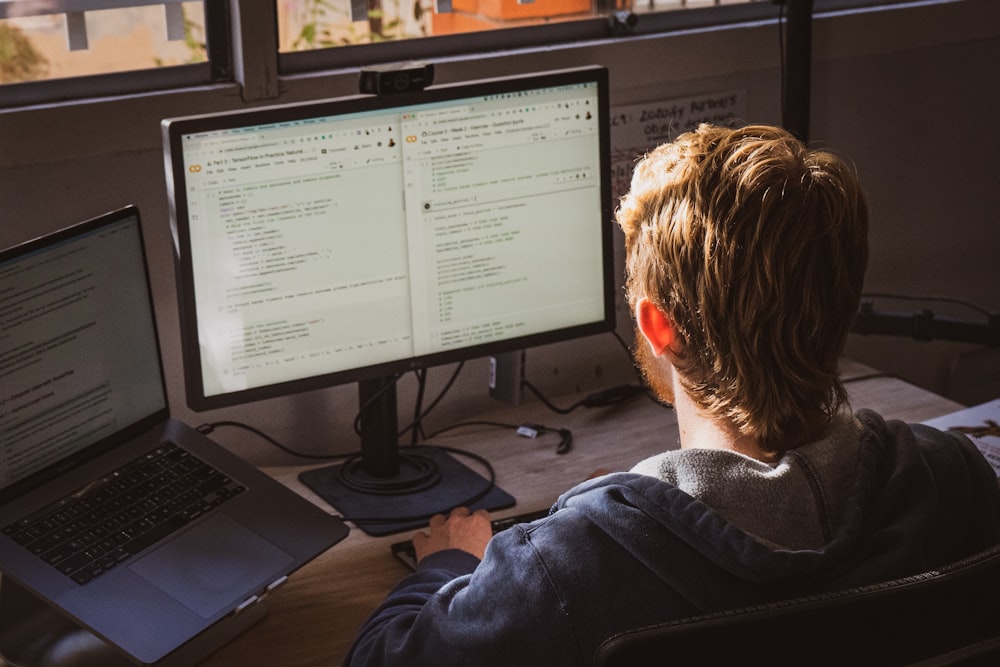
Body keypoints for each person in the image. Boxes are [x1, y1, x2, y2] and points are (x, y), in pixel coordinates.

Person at [344, 124, 1000, 666]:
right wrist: (626, 508)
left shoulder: (563, 572)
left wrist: (447, 566)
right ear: (843, 305)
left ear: (657, 325)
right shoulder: (951, 480)